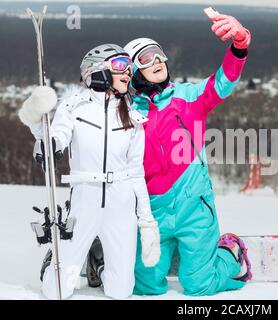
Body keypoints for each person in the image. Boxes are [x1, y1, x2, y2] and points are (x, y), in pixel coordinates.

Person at [123, 9, 253, 296]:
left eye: (159, 54)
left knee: (198, 286)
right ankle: (175, 257)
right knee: (145, 287)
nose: (157, 60)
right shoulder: (128, 114)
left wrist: (239, 45)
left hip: (194, 206)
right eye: (146, 58)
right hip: (152, 212)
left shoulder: (189, 97)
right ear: (132, 71)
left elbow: (223, 81)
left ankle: (229, 253)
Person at [18, 44, 160, 299]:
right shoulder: (74, 107)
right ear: (98, 70)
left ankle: (98, 260)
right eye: (119, 65)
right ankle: (57, 260)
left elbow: (136, 174)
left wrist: (147, 222)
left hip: (121, 204)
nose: (127, 71)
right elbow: (55, 139)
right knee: (56, 293)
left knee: (121, 291)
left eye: (129, 66)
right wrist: (40, 125)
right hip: (85, 201)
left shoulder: (134, 119)